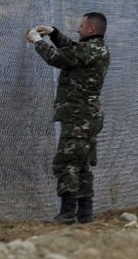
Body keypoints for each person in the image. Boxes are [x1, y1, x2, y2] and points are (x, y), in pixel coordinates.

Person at [26, 13, 111, 224]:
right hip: (86, 116)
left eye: (81, 26)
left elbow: (59, 58)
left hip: (78, 116)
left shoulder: (90, 50)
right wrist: (54, 33)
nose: (78, 29)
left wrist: (38, 41)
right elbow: (72, 49)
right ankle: (84, 215)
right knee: (81, 165)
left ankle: (66, 214)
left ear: (91, 29)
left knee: (66, 163)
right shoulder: (94, 49)